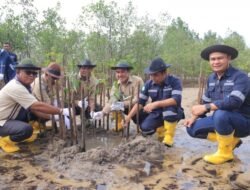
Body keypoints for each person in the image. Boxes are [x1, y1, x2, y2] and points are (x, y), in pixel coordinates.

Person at [184, 44, 250, 164]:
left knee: (220, 113)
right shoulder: (211, 79)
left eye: (220, 58)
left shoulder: (241, 77)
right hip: (221, 119)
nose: (216, 62)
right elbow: (205, 101)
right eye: (213, 59)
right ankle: (231, 142)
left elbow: (234, 101)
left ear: (228, 58)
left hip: (243, 121)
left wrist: (206, 107)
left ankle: (225, 154)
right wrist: (193, 117)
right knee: (191, 129)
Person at [0, 59, 69, 153]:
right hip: (2, 121)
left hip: (11, 117)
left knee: (32, 114)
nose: (31, 75)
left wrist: (52, 116)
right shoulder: (15, 87)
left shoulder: (25, 86)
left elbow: (33, 109)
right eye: (28, 72)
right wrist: (61, 111)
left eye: (34, 73)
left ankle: (22, 130)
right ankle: (4, 141)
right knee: (26, 130)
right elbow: (37, 106)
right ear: (18, 72)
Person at [124, 57, 184, 147]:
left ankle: (169, 137)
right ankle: (161, 128)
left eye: (155, 75)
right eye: (151, 75)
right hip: (157, 112)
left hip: (173, 111)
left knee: (169, 108)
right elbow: (140, 102)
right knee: (145, 128)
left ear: (164, 73)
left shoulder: (175, 81)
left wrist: (156, 104)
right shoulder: (149, 84)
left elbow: (176, 100)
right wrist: (128, 117)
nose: (152, 78)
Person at [93, 61, 144, 132]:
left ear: (128, 72)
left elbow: (138, 99)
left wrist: (122, 104)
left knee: (144, 127)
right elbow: (112, 101)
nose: (120, 74)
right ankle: (120, 126)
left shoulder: (137, 81)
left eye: (123, 72)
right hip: (125, 108)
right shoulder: (116, 85)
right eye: (118, 72)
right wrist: (103, 113)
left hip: (138, 108)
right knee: (114, 106)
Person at [31, 62, 71, 130]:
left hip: (46, 106)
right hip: (34, 111)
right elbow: (47, 103)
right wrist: (60, 112)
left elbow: (60, 94)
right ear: (46, 75)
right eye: (54, 78)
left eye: (56, 79)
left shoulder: (51, 82)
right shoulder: (39, 85)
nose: (55, 80)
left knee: (65, 105)